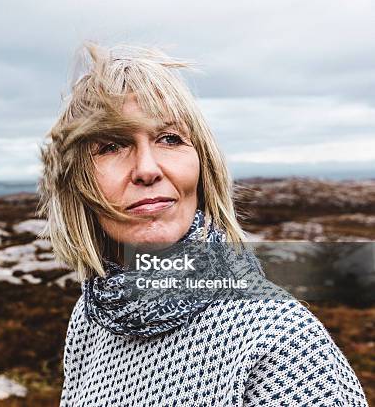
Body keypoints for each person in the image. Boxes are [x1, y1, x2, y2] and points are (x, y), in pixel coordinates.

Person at [36, 41, 369, 406]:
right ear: (76, 183)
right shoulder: (91, 320)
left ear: (203, 166)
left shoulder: (278, 338)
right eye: (111, 146)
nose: (147, 169)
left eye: (169, 138)